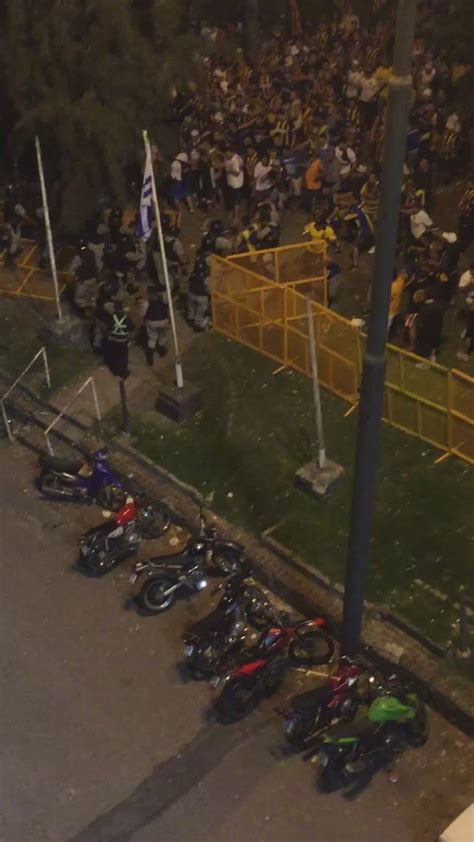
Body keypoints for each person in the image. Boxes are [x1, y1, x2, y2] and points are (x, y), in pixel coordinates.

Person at [138, 285, 169, 365]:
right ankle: (162, 351)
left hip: (152, 323)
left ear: (149, 293)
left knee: (152, 338)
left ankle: (150, 359)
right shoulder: (163, 299)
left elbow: (142, 314)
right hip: (164, 321)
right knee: (163, 335)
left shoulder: (147, 302)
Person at [103, 300, 134, 379]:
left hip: (113, 340)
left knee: (115, 356)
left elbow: (108, 329)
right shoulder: (126, 317)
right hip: (123, 341)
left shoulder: (111, 316)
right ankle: (123, 373)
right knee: (123, 357)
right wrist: (130, 339)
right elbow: (132, 328)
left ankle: (115, 371)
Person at [69, 239, 97, 312]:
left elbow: (72, 270)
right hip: (93, 279)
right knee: (90, 295)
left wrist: (74, 278)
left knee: (78, 299)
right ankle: (92, 306)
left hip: (84, 281)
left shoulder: (78, 257)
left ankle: (84, 312)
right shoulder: (91, 252)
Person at [187, 256, 210, 332]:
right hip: (201, 296)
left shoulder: (193, 273)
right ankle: (197, 326)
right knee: (200, 312)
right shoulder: (206, 276)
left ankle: (190, 320)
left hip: (191, 293)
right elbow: (207, 289)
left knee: (192, 308)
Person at [224, 146, 244, 223]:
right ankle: (232, 213)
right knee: (231, 199)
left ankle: (236, 217)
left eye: (228, 153)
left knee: (236, 201)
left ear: (232, 152)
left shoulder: (235, 160)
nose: (226, 154)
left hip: (236, 184)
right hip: (231, 182)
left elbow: (236, 173)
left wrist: (228, 169)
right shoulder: (231, 158)